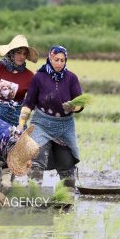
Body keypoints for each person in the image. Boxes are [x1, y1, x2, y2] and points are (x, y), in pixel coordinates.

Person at [17, 45, 83, 188]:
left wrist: (73, 107)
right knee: (37, 158)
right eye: (56, 60)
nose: (59, 63)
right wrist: (21, 124)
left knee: (67, 163)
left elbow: (80, 103)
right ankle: (34, 196)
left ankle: (67, 199)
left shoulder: (71, 78)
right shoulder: (39, 77)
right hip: (42, 123)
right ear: (49, 58)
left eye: (62, 60)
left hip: (64, 125)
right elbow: (28, 103)